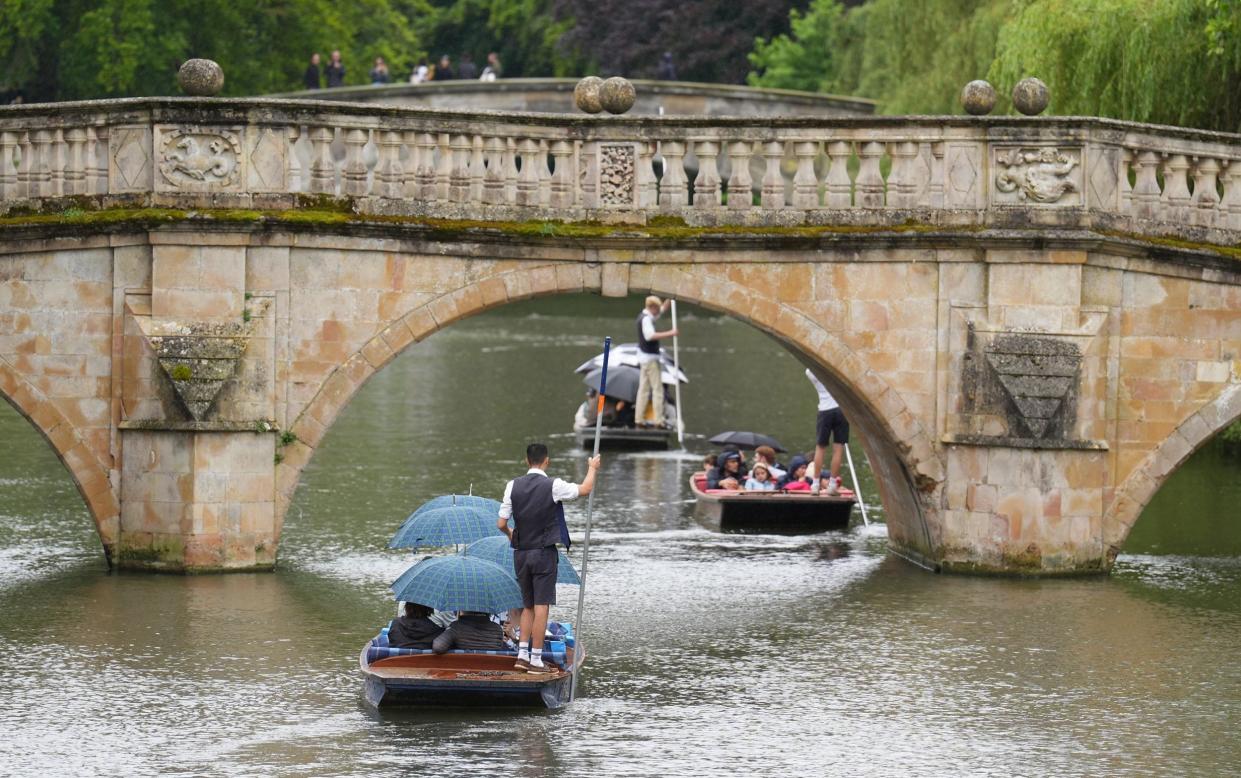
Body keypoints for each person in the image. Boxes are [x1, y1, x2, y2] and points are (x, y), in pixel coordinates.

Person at [497, 443, 600, 674]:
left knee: (527, 606)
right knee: (541, 605)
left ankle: (521, 656)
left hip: (521, 553)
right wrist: (593, 467)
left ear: (526, 461)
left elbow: (501, 523)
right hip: (543, 552)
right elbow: (585, 489)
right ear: (547, 461)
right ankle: (535, 660)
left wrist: (511, 534)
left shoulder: (512, 485)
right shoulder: (553, 485)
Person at [635, 296, 678, 428]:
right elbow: (650, 336)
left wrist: (670, 299)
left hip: (644, 359)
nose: (658, 310)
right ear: (652, 307)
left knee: (643, 389)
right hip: (650, 360)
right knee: (658, 390)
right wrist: (670, 333)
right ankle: (658, 420)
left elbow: (662, 310)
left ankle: (639, 419)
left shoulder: (644, 316)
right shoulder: (646, 319)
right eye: (657, 308)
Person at [806, 368, 849, 496]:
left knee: (820, 448)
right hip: (840, 409)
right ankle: (832, 485)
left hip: (824, 411)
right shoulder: (831, 367)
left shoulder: (809, 372)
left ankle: (815, 485)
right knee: (838, 448)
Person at [431, 611, 507, 653]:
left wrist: (450, 629)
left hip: (463, 675)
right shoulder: (498, 629)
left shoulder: (457, 627)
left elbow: (438, 647)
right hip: (491, 675)